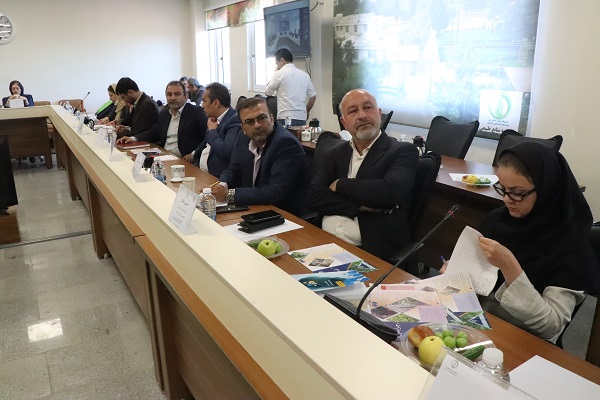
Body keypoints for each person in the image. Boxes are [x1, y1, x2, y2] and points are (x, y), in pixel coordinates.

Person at [473, 142, 600, 342]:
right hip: (482, 322)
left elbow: (551, 326)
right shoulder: (497, 219)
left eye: (517, 192)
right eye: (502, 189)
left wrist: (510, 266)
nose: (507, 199)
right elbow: (478, 274)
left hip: (526, 341)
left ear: (546, 188)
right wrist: (458, 272)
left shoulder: (571, 243)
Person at [305, 89, 419, 262]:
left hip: (369, 249)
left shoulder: (402, 151)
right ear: (343, 122)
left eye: (368, 108)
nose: (362, 115)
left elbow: (389, 192)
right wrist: (358, 207)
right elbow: (314, 195)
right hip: (323, 241)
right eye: (353, 111)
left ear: (379, 114)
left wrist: (340, 184)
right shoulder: (337, 153)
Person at [209, 97, 309, 216]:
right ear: (243, 128)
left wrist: (229, 194)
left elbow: (275, 192)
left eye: (262, 118)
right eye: (250, 122)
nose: (257, 125)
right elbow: (234, 169)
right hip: (254, 207)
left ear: (272, 119)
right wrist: (221, 186)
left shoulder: (286, 143)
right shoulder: (242, 137)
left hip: (283, 214)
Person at [117, 81, 208, 158]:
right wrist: (133, 138)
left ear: (186, 96)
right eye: (169, 94)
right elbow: (153, 132)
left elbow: (206, 137)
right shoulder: (165, 113)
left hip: (183, 158)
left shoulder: (196, 112)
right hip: (164, 154)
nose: (172, 98)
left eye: (177, 94)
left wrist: (194, 153)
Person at [190, 82, 241, 176]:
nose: (202, 106)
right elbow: (205, 144)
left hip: (216, 177)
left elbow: (225, 152)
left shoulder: (234, 120)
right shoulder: (213, 118)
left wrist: (212, 131)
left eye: (204, 101)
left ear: (216, 103)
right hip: (200, 170)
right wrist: (193, 154)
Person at [265, 48, 316, 126]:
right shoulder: (305, 75)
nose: (277, 66)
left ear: (282, 60)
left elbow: (268, 92)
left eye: (277, 64)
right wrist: (307, 111)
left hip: (284, 117)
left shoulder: (279, 73)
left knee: (285, 135)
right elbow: (313, 97)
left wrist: (275, 73)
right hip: (301, 118)